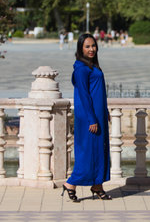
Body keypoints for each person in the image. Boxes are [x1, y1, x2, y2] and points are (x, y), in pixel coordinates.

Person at [62, 33, 112, 202]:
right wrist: (92, 119)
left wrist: (105, 111)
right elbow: (84, 96)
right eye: (87, 46)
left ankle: (97, 185)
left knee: (100, 151)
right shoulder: (81, 69)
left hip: (98, 115)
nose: (91, 49)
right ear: (80, 49)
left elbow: (98, 92)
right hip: (89, 118)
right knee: (87, 153)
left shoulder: (92, 66)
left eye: (93, 46)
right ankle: (70, 184)